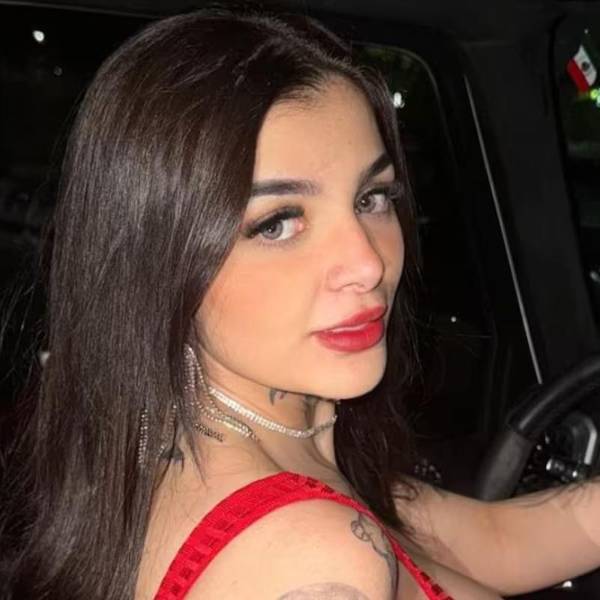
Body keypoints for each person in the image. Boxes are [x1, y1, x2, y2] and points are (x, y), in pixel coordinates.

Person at [0, 8, 599, 600]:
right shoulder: (318, 565)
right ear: (154, 261)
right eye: (278, 223)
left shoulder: (211, 448)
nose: (368, 264)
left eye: (371, 198)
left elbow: (492, 540)